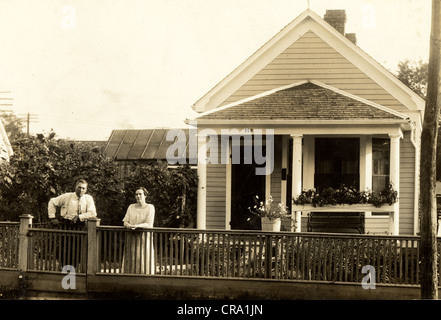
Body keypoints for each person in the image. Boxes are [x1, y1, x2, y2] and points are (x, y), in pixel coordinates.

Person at [122, 187, 155, 274]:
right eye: (136, 194)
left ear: (145, 196)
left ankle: (145, 277)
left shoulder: (150, 207)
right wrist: (128, 225)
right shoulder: (131, 207)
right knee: (132, 257)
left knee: (143, 257)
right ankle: (130, 276)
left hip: (144, 237)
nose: (138, 196)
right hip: (132, 237)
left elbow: (149, 223)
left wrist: (137, 226)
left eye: (140, 194)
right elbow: (125, 221)